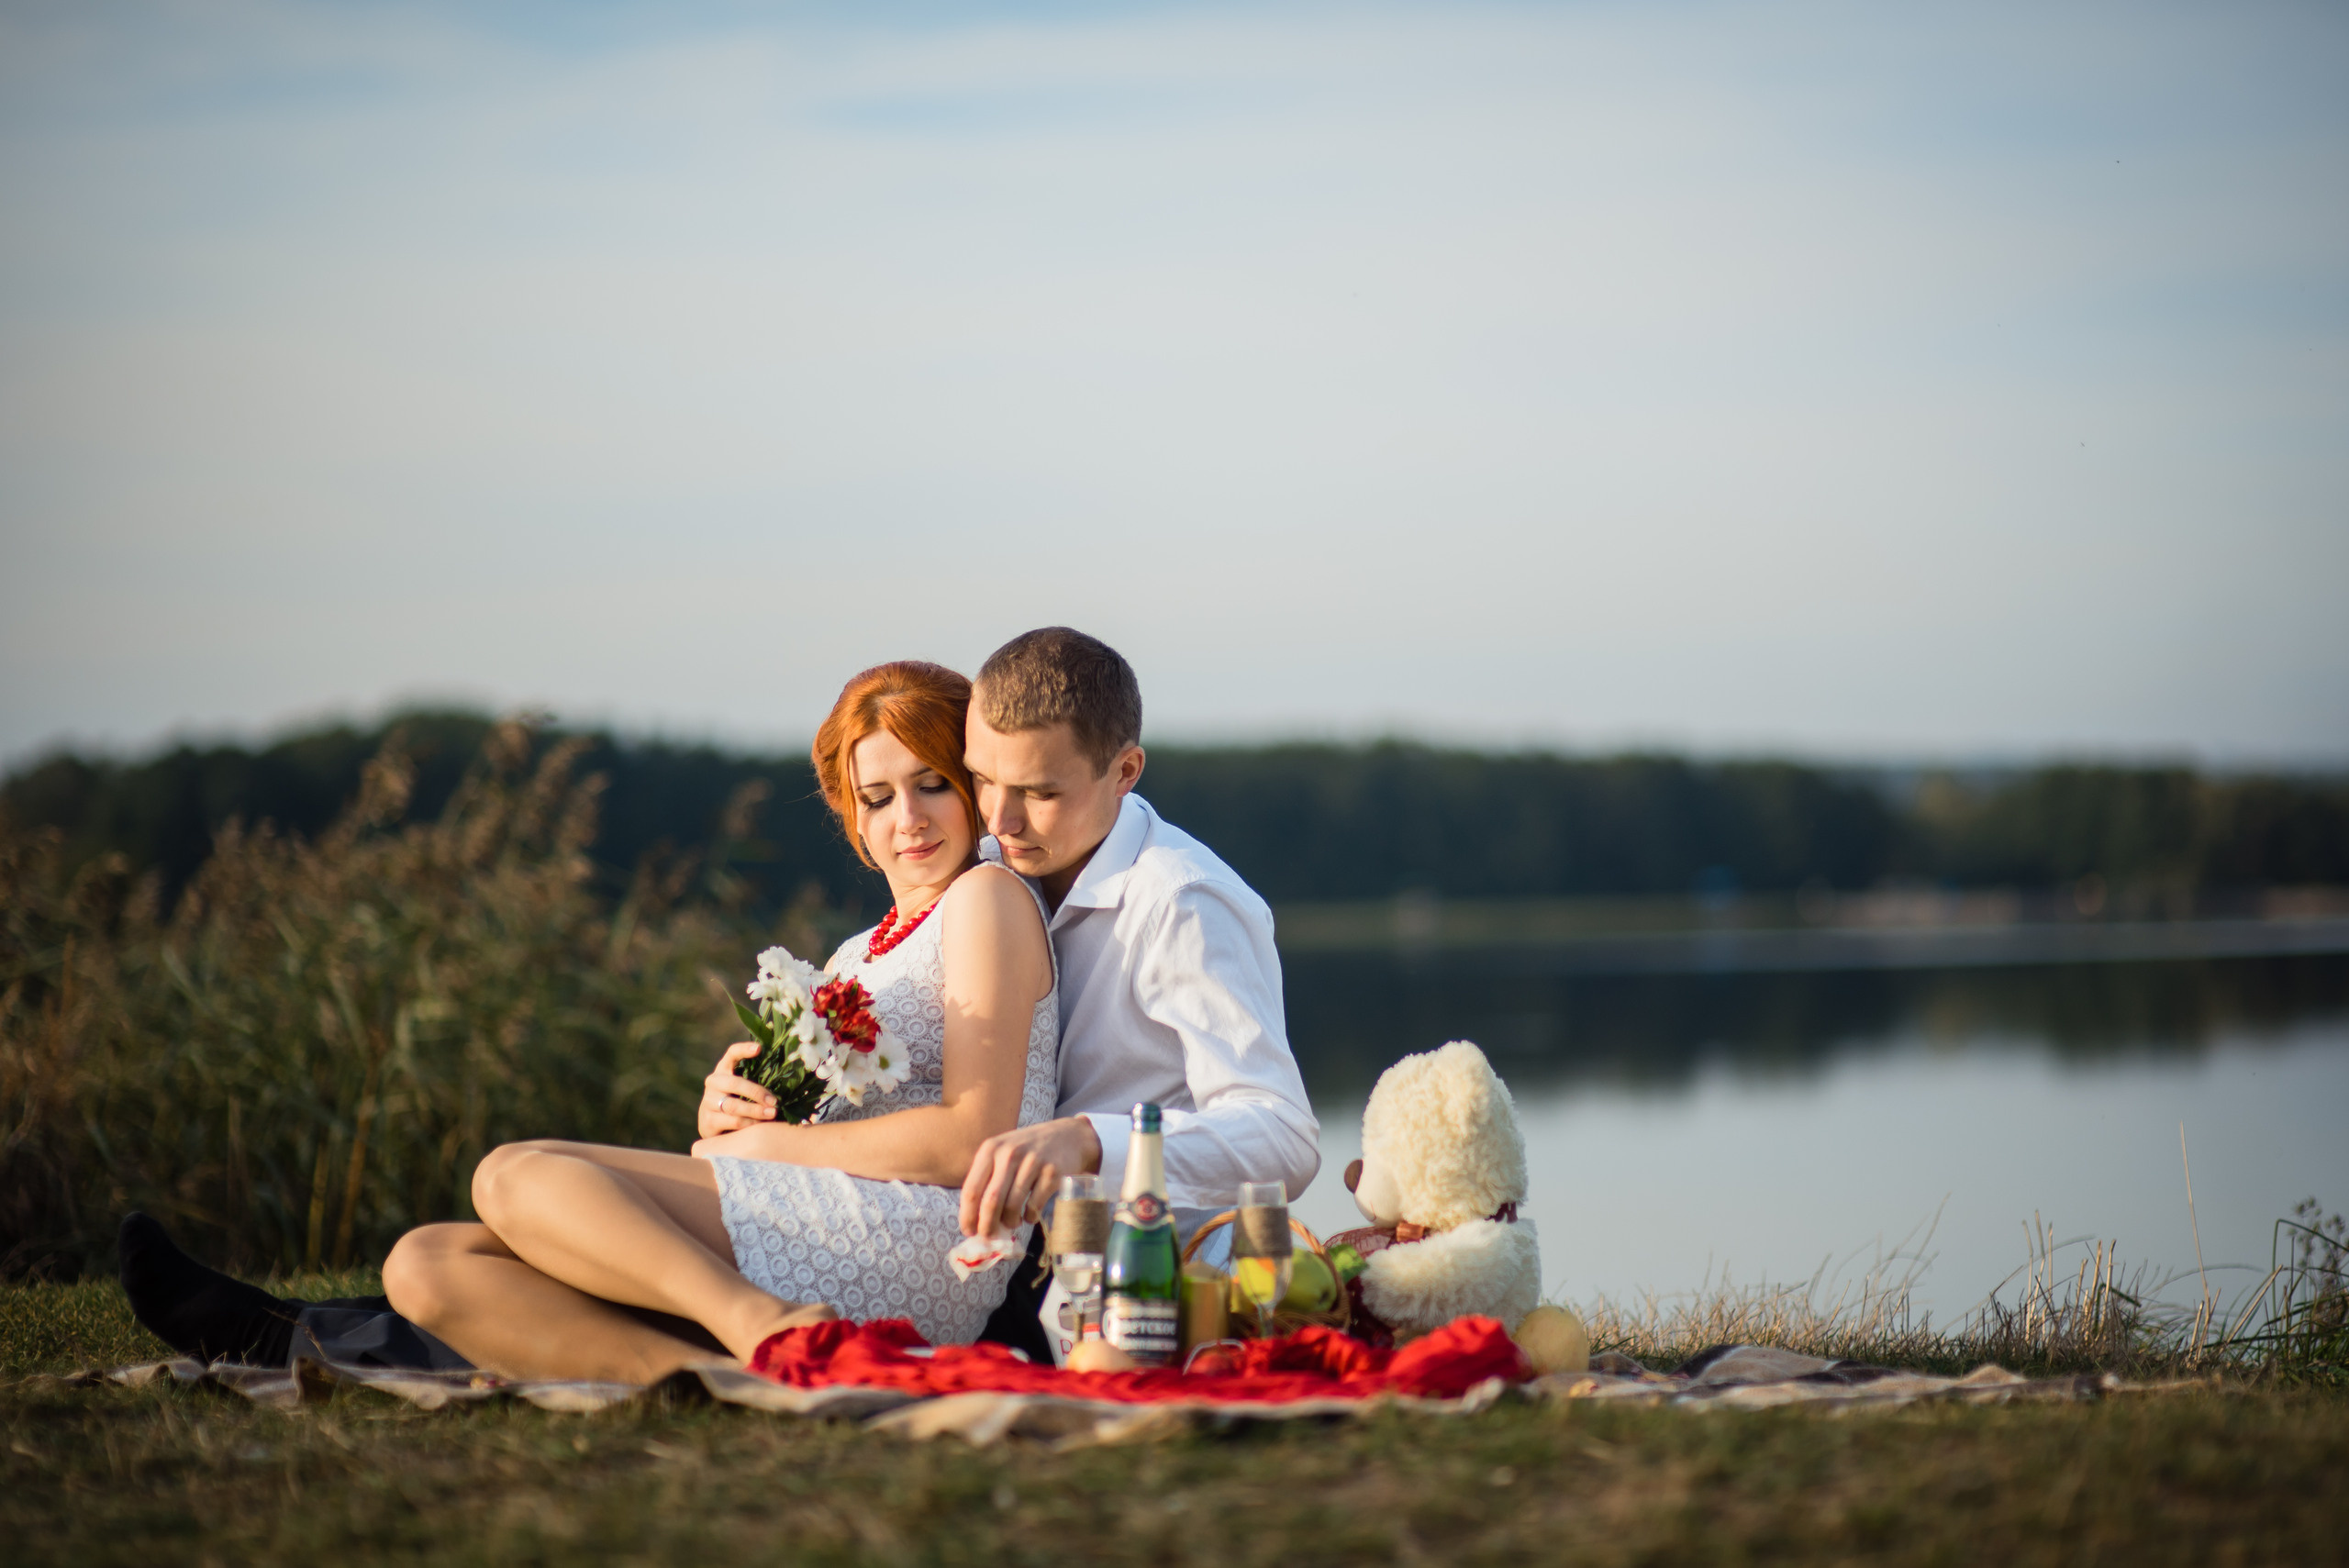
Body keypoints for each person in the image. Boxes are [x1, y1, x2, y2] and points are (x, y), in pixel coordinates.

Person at [121, 628, 1319, 1372]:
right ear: (848, 816)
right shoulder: (920, 916)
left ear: (1120, 773)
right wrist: (744, 1099)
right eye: (883, 795)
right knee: (432, 1261)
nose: (976, 821)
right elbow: (895, 1078)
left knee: (510, 1174)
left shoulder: (1072, 898)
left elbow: (986, 1132)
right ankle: (709, 1382)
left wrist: (784, 1143)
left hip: (989, 1245)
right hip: (899, 1216)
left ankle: (751, 1333)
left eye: (943, 786)